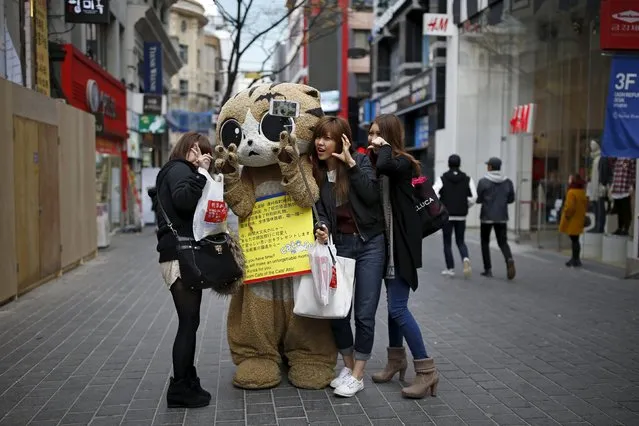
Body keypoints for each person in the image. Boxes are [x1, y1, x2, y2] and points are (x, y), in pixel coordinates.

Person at [312, 116, 386, 398]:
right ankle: (349, 366)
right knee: (338, 311)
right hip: (339, 246)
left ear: (342, 139)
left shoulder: (361, 161)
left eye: (328, 137)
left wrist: (351, 163)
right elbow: (318, 211)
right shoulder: (316, 173)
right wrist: (322, 228)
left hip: (370, 244)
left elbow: (371, 196)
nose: (321, 142)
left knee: (364, 314)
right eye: (319, 137)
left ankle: (357, 375)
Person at [367, 114, 439, 399]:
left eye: (376, 134)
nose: (371, 140)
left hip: (402, 247)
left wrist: (383, 146)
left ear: (388, 135)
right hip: (388, 247)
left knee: (398, 308)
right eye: (370, 134)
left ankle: (426, 370)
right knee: (393, 307)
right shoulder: (380, 161)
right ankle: (396, 360)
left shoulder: (402, 163)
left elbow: (386, 163)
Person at [153, 132, 214, 408]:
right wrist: (201, 173)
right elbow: (183, 200)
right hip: (179, 257)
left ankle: (188, 380)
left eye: (206, 153)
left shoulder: (176, 170)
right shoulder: (178, 169)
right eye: (200, 151)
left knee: (191, 322)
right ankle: (180, 388)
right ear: (190, 149)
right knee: (188, 323)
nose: (204, 157)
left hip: (179, 256)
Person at [433, 154, 477, 278]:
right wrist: (465, 205)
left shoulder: (442, 178)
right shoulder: (467, 179)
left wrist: (440, 205)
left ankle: (450, 268)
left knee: (447, 242)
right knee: (460, 241)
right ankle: (465, 258)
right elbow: (474, 197)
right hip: (461, 216)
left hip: (447, 215)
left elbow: (434, 193)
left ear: (448, 164)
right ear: (459, 164)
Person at [476, 157, 516, 280]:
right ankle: (509, 258)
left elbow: (478, 199)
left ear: (490, 167)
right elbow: (511, 199)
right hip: (502, 216)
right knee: (502, 242)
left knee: (485, 242)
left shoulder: (483, 181)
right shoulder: (508, 182)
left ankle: (488, 269)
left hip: (486, 216)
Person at [559, 174, 588, 267]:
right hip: (579, 218)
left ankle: (575, 259)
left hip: (572, 219)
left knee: (574, 240)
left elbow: (570, 207)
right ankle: (576, 259)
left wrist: (566, 215)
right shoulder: (581, 192)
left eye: (569, 179)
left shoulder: (571, 192)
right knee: (576, 239)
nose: (568, 180)